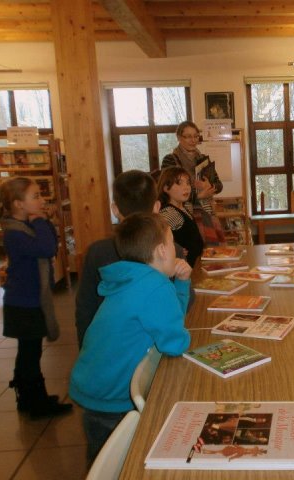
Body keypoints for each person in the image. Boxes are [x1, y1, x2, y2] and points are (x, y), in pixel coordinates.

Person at [69, 212, 192, 466]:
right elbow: (176, 343)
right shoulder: (155, 286)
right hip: (114, 395)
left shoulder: (133, 278)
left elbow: (170, 320)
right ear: (161, 251)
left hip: (95, 386)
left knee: (99, 459)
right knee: (118, 464)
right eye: (172, 243)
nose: (176, 250)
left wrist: (181, 284)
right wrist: (178, 287)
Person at [75, 170, 192, 348]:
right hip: (153, 350)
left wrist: (86, 348)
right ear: (156, 207)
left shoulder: (96, 252)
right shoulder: (169, 250)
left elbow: (85, 308)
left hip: (107, 350)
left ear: (115, 209)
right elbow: (182, 307)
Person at [0, 177, 73, 418]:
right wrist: (40, 220)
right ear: (18, 204)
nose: (42, 200)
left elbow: (51, 240)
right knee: (30, 353)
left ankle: (30, 396)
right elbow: (46, 248)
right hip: (24, 303)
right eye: (35, 196)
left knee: (30, 351)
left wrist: (42, 221)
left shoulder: (26, 226)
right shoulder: (15, 233)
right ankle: (34, 401)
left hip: (29, 301)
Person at [161, 120, 225, 245]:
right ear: (179, 138)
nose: (193, 140)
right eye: (188, 136)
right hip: (182, 213)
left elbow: (219, 185)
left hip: (206, 211)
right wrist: (198, 195)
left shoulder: (203, 159)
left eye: (196, 136)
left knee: (212, 250)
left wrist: (210, 186)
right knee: (192, 249)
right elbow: (170, 189)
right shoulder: (170, 159)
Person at [157, 166, 204, 267]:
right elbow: (157, 238)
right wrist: (175, 248)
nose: (186, 187)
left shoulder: (184, 207)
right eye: (179, 183)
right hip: (184, 269)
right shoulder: (169, 212)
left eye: (188, 183)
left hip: (194, 265)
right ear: (166, 188)